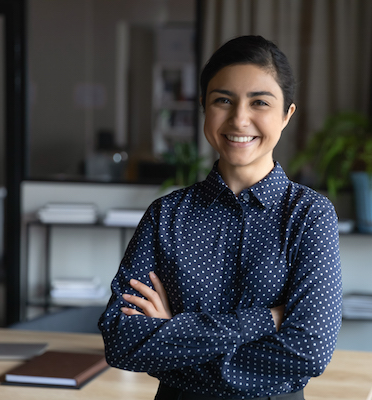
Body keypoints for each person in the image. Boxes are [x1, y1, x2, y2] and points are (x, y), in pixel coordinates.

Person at [99, 35, 342, 400]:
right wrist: (267, 319)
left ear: (287, 114)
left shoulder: (309, 216)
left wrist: (174, 334)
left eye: (259, 102)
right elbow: (121, 341)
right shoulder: (166, 216)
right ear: (203, 106)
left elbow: (308, 351)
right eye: (223, 100)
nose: (239, 119)